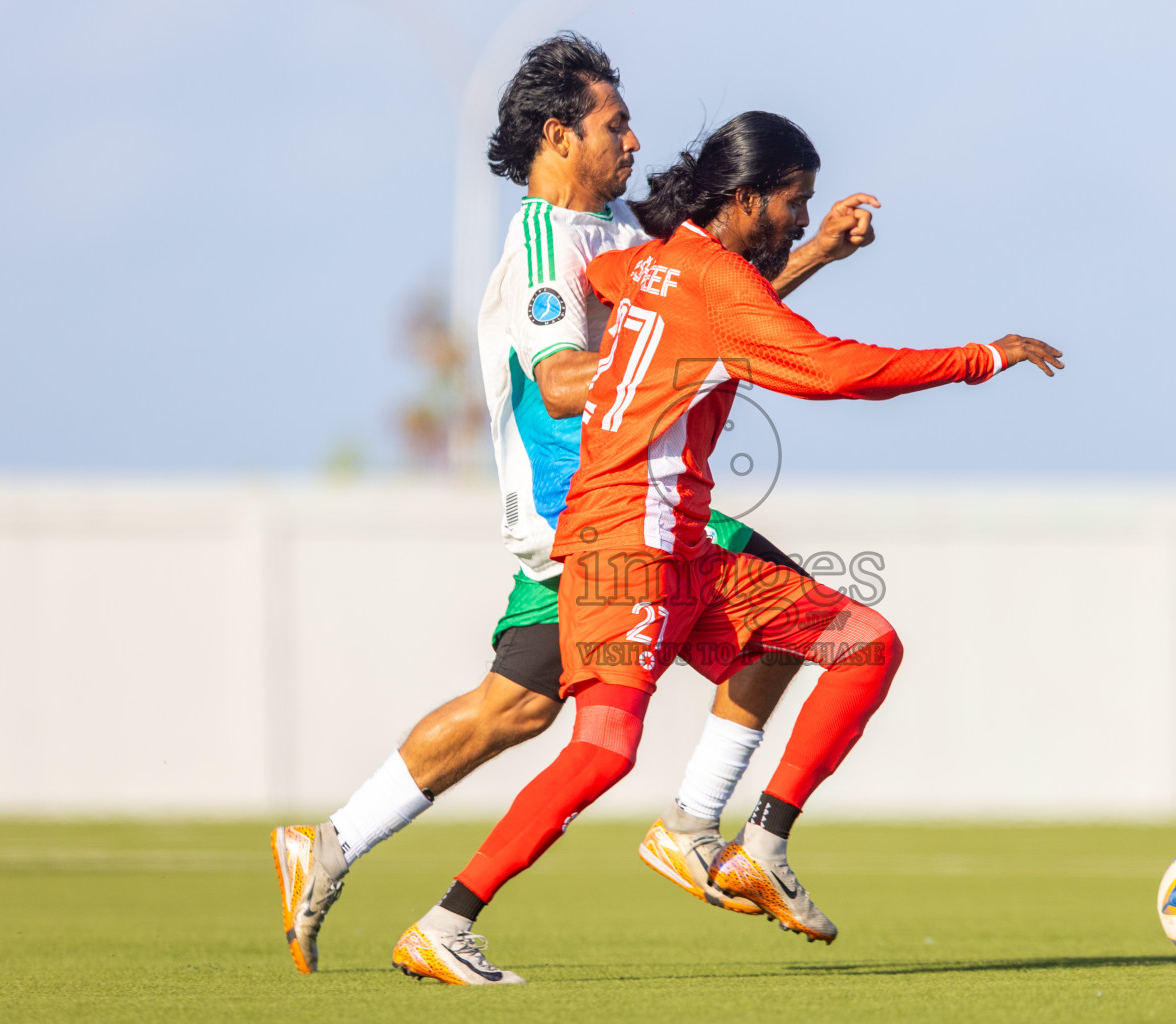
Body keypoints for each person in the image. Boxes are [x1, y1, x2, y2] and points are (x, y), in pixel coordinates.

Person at [389, 110, 1063, 985]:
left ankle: (756, 842)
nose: (796, 217)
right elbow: (833, 370)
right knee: (602, 750)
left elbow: (606, 272)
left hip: (679, 548)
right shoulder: (709, 280)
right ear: (745, 199)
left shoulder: (655, 262)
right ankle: (446, 924)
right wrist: (982, 354)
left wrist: (730, 287)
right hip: (625, 543)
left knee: (863, 645)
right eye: (793, 202)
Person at [270, 35, 882, 976]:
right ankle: (695, 826)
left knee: (513, 710)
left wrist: (814, 261)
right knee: (812, 623)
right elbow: (561, 383)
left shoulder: (625, 234)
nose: (634, 140)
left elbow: (723, 323)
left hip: (623, 503)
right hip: (596, 512)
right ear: (559, 135)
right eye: (615, 123)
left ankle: (334, 844)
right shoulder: (539, 249)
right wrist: (674, 365)